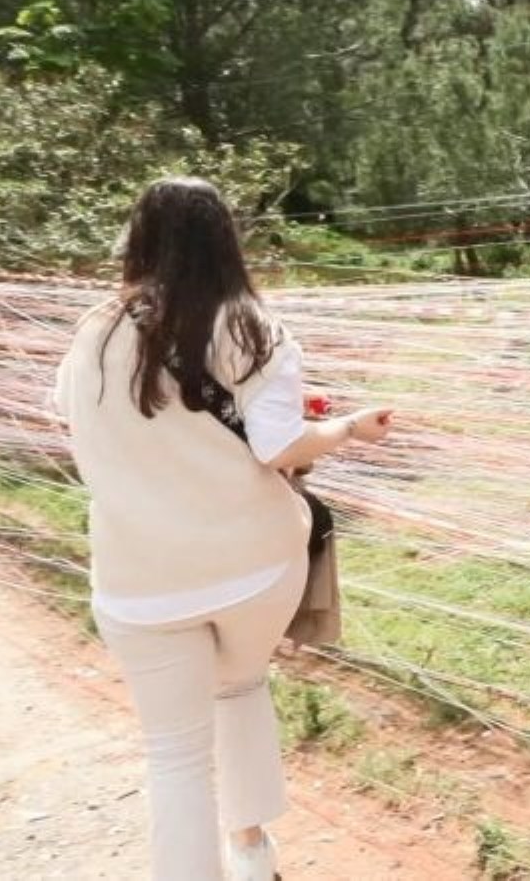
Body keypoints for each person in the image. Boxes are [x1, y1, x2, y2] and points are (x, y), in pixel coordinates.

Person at [51, 177, 394, 880]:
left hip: (140, 581)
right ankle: (252, 852)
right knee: (240, 687)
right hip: (254, 568)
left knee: (175, 755)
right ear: (224, 238)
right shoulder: (251, 327)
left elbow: (70, 418)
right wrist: (347, 429)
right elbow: (279, 446)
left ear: (140, 238)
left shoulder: (94, 331)